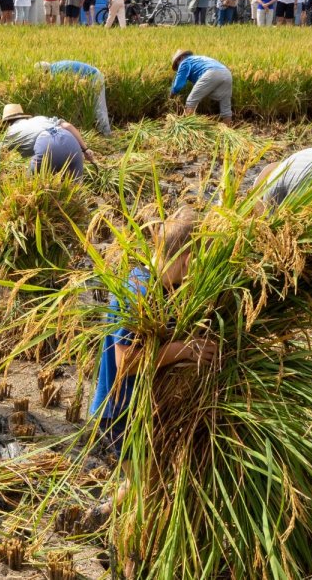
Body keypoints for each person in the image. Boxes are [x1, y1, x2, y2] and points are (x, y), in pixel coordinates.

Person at [87, 210, 216, 530]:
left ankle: (95, 519)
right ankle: (127, 556)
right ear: (188, 259)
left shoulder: (171, 290)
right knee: (150, 493)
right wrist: (188, 349)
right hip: (123, 411)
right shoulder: (139, 291)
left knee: (145, 481)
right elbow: (126, 362)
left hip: (149, 408)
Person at [0, 104, 98, 178]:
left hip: (47, 145)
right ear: (23, 116)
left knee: (30, 185)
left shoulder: (10, 133)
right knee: (75, 190)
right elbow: (67, 126)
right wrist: (85, 149)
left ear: (6, 123)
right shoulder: (40, 118)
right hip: (70, 140)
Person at [35, 60, 113, 136]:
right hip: (85, 81)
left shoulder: (56, 72)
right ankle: (81, 132)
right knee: (80, 107)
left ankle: (106, 133)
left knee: (98, 106)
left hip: (95, 77)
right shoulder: (55, 67)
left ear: (44, 72)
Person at [170, 50, 233, 122]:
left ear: (180, 58)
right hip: (227, 73)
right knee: (225, 106)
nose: (178, 68)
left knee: (191, 101)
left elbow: (178, 86)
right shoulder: (199, 59)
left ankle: (188, 126)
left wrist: (171, 95)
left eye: (177, 65)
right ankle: (228, 129)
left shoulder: (184, 62)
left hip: (211, 72)